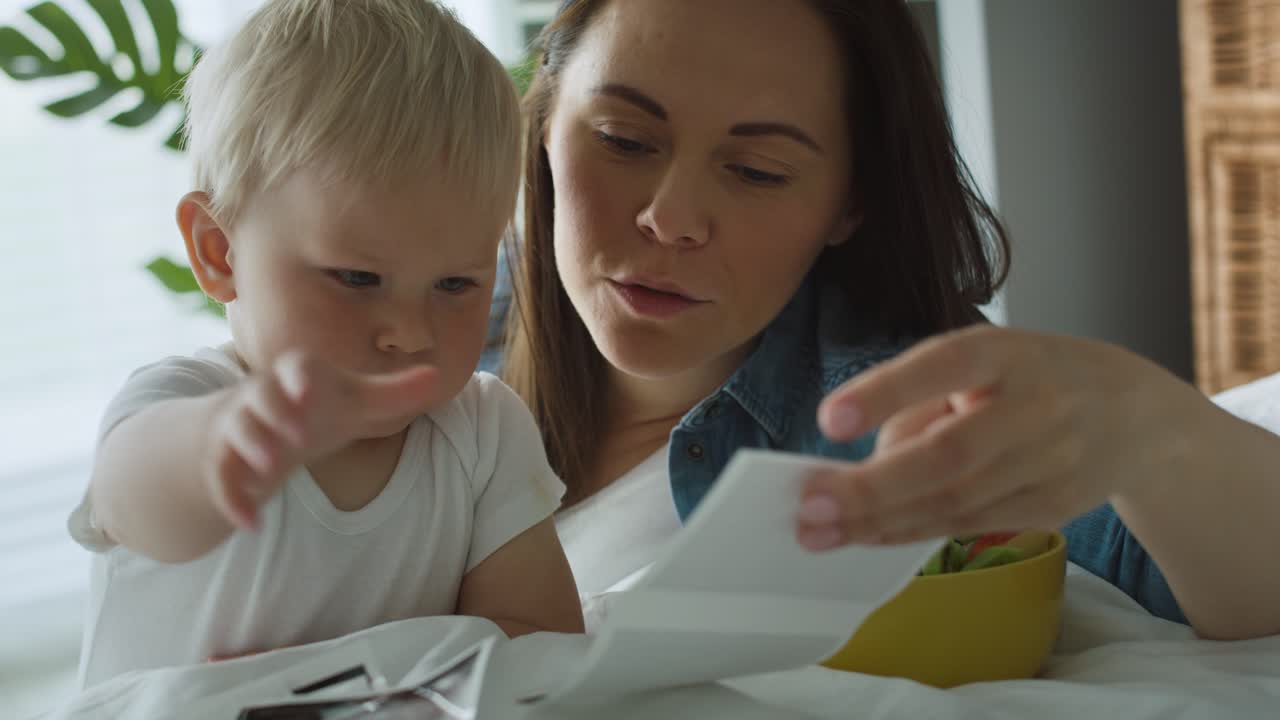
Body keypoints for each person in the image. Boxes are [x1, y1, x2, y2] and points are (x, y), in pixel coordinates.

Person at [497, 0, 1280, 641]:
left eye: (756, 171)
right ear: (543, 123)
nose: (671, 219)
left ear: (850, 203)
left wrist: (1147, 425)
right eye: (623, 141)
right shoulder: (426, 323)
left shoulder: (894, 418)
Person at [68, 0, 583, 689]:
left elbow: (540, 654)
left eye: (457, 283)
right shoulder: (184, 405)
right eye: (357, 278)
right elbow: (138, 507)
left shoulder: (484, 435)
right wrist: (222, 443)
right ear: (219, 252)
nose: (410, 333)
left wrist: (341, 685)